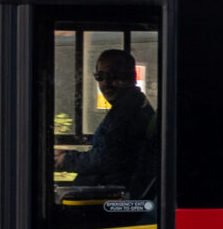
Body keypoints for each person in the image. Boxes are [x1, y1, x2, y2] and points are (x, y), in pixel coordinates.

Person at [64, 50, 155, 194]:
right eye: (100, 76)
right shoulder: (131, 106)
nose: (106, 83)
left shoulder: (129, 112)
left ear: (131, 77)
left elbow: (104, 160)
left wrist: (64, 160)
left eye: (113, 76)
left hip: (110, 200)